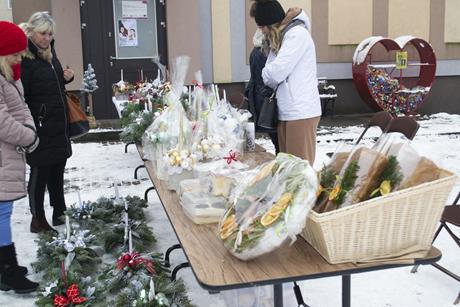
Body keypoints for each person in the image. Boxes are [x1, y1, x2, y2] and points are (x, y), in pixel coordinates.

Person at [21, 12, 74, 233]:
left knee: (58, 167)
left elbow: (51, 83)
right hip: (39, 124)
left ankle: (59, 211)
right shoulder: (24, 57)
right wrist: (29, 123)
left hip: (57, 123)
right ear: (32, 31)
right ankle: (38, 219)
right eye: (43, 33)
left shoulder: (50, 52)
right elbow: (21, 95)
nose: (46, 37)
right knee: (40, 170)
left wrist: (65, 77)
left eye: (50, 33)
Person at [250, 0, 321, 165]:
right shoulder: (282, 38)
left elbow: (273, 74)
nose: (260, 31)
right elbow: (269, 73)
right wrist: (269, 72)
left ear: (270, 23)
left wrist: (268, 72)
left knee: (300, 172)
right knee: (287, 170)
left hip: (300, 112)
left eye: (261, 27)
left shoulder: (296, 35)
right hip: (286, 111)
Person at [0, 21, 40, 293]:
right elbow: (2, 122)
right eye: (14, 54)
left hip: (9, 153)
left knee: (3, 211)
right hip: (3, 155)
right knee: (1, 213)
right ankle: (8, 270)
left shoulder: (9, 76)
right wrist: (29, 137)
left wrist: (30, 128)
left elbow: (22, 108)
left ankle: (5, 267)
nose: (19, 59)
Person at [245, 28, 280, 154]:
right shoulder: (263, 53)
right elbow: (265, 79)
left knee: (276, 139)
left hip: (258, 97)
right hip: (266, 100)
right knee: (278, 139)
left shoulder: (255, 51)